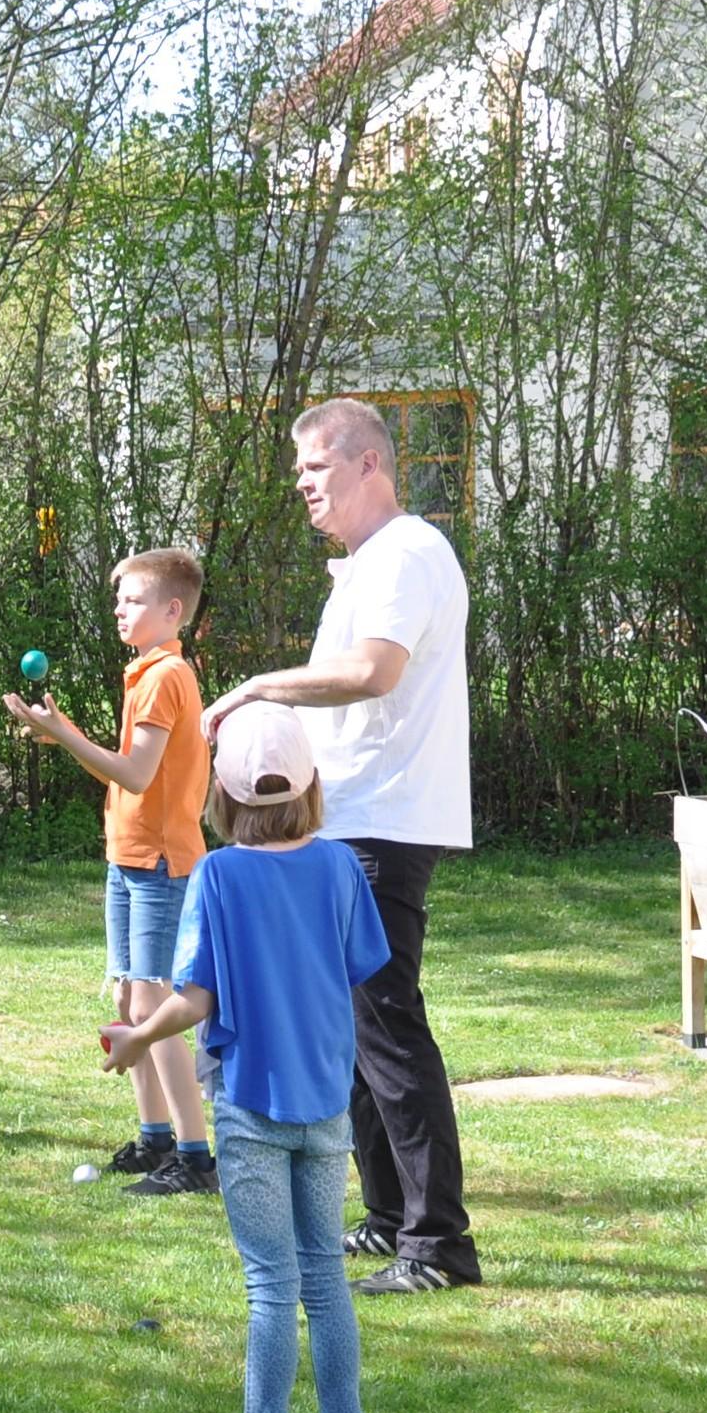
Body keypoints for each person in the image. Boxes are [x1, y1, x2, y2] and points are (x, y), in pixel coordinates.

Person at [202, 397, 481, 1292]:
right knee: (356, 1029)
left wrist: (258, 688)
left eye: (315, 469)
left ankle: (439, 1246)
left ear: (370, 465)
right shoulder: (366, 564)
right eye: (299, 472)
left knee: (387, 1026)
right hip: (350, 818)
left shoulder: (407, 552)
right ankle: (391, 1213)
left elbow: (373, 673)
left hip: (384, 824)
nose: (302, 485)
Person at [104, 705, 389, 1413]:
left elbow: (195, 997)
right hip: (326, 1104)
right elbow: (362, 962)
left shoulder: (221, 876)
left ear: (219, 794)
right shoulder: (339, 867)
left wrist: (133, 1039)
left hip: (253, 1108)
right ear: (310, 784)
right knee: (323, 1276)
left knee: (271, 1285)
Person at [3, 546, 219, 1197]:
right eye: (118, 599)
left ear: (172, 610)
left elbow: (135, 772)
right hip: (127, 859)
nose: (120, 610)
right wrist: (60, 734)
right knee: (130, 997)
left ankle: (195, 1154)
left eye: (133, 600)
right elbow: (129, 771)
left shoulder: (164, 677)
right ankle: (156, 1136)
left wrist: (63, 732)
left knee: (155, 1004)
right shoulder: (145, 671)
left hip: (160, 862)